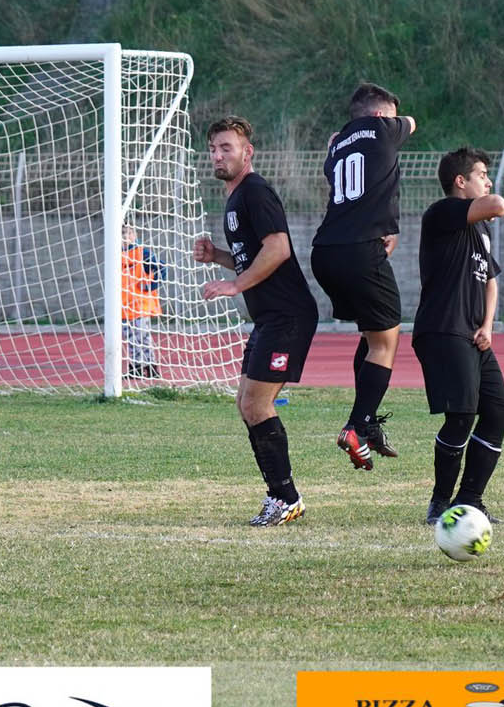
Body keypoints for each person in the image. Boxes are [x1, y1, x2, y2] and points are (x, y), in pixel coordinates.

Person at [194, 116, 319, 526]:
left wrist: (235, 286)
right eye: (213, 149)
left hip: (288, 315)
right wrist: (218, 256)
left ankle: (286, 498)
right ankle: (279, 495)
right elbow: (253, 257)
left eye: (226, 148)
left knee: (256, 404)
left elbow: (278, 249)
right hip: (269, 318)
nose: (217, 156)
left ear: (247, 152)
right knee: (246, 403)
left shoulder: (255, 191)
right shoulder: (235, 197)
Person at [309, 82, 416, 471]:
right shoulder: (383, 127)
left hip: (325, 251)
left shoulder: (336, 146)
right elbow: (412, 122)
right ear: (379, 115)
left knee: (373, 335)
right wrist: (391, 121)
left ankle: (366, 422)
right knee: (388, 339)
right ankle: (357, 426)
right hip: (360, 249)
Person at [412, 148, 504, 526]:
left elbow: (490, 281)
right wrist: (489, 202)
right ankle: (439, 503)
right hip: (443, 329)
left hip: (473, 334)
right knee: (462, 415)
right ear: (460, 181)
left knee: (498, 410)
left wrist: (487, 326)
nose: (488, 181)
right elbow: (498, 204)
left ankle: (469, 499)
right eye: (481, 175)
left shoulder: (480, 230)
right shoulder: (443, 212)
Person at [121, 223, 165, 380]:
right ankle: (139, 368)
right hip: (124, 305)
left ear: (135, 235)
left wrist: (151, 286)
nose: (125, 237)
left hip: (141, 304)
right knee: (131, 338)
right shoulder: (116, 254)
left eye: (129, 233)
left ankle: (149, 367)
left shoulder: (143, 253)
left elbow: (161, 268)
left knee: (141, 337)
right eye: (122, 234)